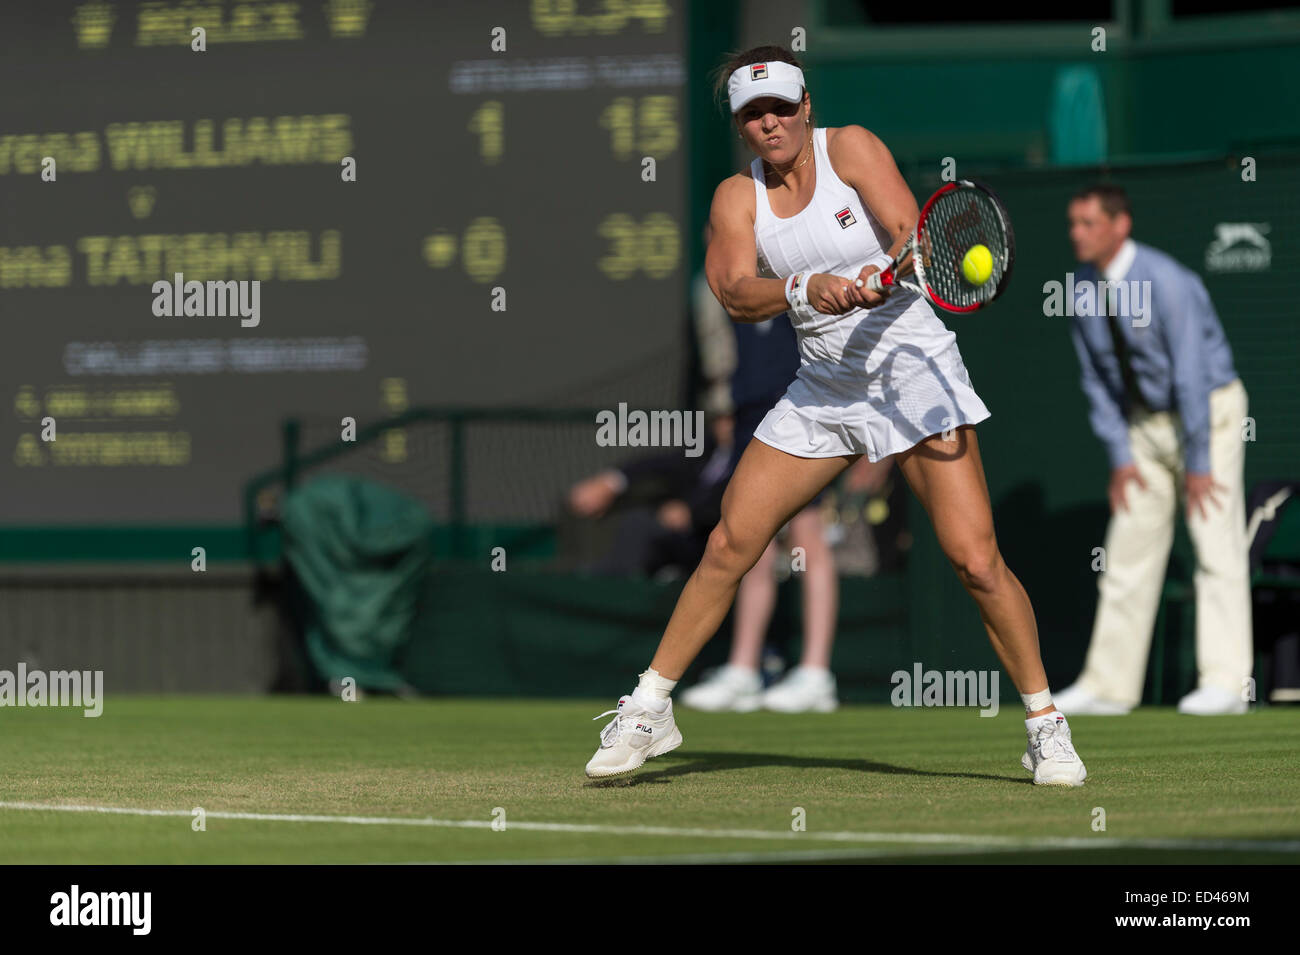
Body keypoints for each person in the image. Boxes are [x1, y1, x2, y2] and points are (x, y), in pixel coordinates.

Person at [585, 45, 1086, 786]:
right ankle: (651, 706)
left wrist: (876, 273)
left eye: (781, 106)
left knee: (976, 560)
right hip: (823, 389)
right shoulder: (735, 197)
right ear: (740, 125)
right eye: (753, 113)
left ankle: (1046, 725)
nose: (770, 123)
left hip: (913, 374)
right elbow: (731, 289)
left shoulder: (850, 146)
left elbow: (910, 234)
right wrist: (805, 287)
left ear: (806, 106)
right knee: (730, 541)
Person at [1056, 183, 1252, 716]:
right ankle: (1108, 686)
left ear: (1120, 226)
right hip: (1144, 426)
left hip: (1208, 415)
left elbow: (1189, 375)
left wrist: (1200, 462)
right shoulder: (1079, 290)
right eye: (1073, 224)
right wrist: (1121, 455)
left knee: (1215, 544)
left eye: (1088, 223)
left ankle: (1228, 684)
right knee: (1127, 552)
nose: (1077, 233)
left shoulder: (1167, 283)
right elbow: (1096, 379)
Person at [682, 228, 840, 712]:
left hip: (806, 410)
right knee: (748, 536)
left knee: (807, 535)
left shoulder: (803, 272)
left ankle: (816, 673)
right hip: (753, 415)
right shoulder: (728, 289)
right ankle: (745, 668)